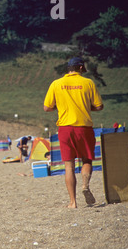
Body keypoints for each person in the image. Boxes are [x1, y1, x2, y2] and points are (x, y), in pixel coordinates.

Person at [44, 57, 104, 208]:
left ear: (68, 69)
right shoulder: (88, 83)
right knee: (87, 160)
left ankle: (73, 202)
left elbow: (47, 107)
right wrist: (85, 107)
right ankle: (85, 185)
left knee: (69, 165)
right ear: (81, 68)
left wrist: (61, 107)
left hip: (65, 128)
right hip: (84, 128)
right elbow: (99, 106)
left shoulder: (56, 84)